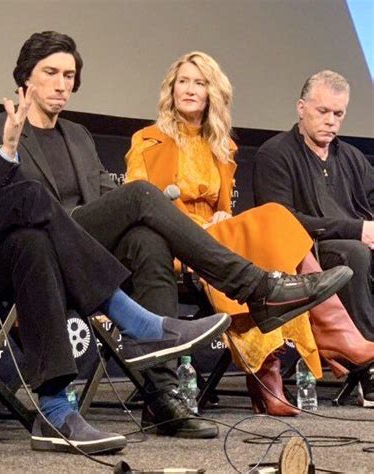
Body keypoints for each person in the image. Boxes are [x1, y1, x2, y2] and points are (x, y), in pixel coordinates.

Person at [0, 30, 350, 430]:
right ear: (25, 76)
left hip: (87, 259)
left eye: (69, 75)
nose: (62, 85)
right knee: (141, 196)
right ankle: (257, 288)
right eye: (51, 73)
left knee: (147, 239)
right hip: (30, 262)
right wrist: (7, 152)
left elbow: (105, 199)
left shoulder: (78, 137)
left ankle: (161, 397)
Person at [0, 23, 238, 455]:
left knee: (37, 242)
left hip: (19, 251)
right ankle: (139, 322)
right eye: (51, 73)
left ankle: (55, 410)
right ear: (26, 77)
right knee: (36, 197)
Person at [124, 51, 374, 415]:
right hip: (169, 242)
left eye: (200, 83)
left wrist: (223, 215)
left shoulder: (222, 148)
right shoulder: (146, 141)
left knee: (269, 227)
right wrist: (197, 226)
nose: (191, 90)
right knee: (273, 220)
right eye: (184, 82)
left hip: (216, 239)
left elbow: (222, 207)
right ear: (171, 89)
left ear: (212, 93)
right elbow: (138, 205)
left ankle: (284, 363)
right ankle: (322, 339)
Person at [253, 70, 374, 406]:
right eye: (323, 112)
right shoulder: (275, 154)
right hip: (305, 254)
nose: (331, 122)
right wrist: (357, 229)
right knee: (355, 253)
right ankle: (369, 368)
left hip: (354, 243)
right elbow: (280, 220)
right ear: (301, 108)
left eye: (338, 114)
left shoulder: (350, 157)